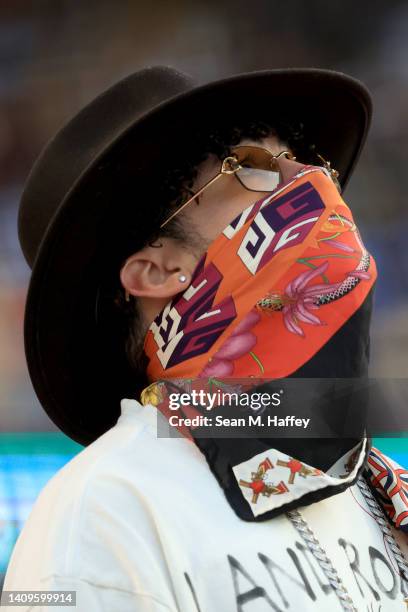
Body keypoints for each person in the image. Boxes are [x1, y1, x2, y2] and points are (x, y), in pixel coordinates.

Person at [4, 66, 408, 611]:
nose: (309, 177)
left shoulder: (376, 486)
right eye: (254, 166)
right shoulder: (103, 512)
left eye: (305, 158)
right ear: (156, 272)